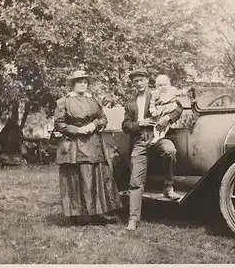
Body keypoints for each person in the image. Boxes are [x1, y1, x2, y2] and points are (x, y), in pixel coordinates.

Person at [54, 69, 122, 225]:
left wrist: (95, 124)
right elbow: (59, 124)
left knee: (97, 177)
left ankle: (98, 212)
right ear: (73, 84)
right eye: (79, 81)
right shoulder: (63, 102)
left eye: (85, 82)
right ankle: (75, 214)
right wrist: (77, 130)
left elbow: (103, 117)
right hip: (73, 145)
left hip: (94, 144)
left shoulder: (93, 101)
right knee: (75, 178)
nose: (83, 84)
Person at [122, 68, 183, 231]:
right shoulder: (130, 101)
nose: (139, 83)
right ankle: (133, 219)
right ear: (133, 83)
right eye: (136, 81)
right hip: (139, 140)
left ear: (147, 80)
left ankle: (168, 187)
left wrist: (166, 118)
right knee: (135, 181)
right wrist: (139, 124)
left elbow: (178, 108)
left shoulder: (158, 93)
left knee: (170, 151)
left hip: (158, 137)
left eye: (142, 80)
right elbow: (125, 125)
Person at [148, 74, 183, 145]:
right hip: (160, 112)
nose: (163, 87)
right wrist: (153, 111)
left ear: (168, 85)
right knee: (157, 126)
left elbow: (179, 99)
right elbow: (152, 103)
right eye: (160, 85)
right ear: (157, 86)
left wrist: (182, 93)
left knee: (167, 125)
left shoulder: (172, 90)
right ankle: (157, 137)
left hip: (170, 109)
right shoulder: (155, 93)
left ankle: (162, 136)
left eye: (165, 85)